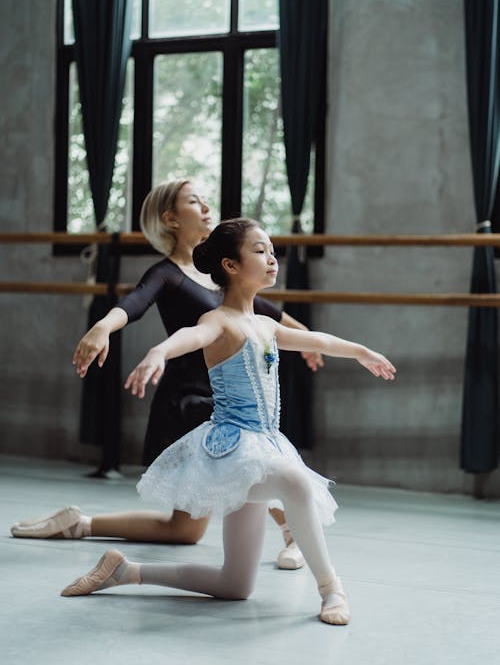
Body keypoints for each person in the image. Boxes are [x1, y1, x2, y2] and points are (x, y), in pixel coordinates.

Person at [59, 218, 396, 625]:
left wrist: (363, 351)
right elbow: (188, 337)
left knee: (234, 585)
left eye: (272, 250)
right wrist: (159, 353)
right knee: (294, 481)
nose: (272, 257)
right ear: (231, 266)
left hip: (265, 447)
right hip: (232, 451)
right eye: (259, 250)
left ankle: (125, 571)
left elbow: (320, 341)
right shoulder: (218, 321)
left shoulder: (267, 325)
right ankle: (332, 589)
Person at [11, 180, 323, 569]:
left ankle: (79, 523)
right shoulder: (168, 273)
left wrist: (309, 341)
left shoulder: (222, 277)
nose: (207, 207)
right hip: (191, 404)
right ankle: (293, 529)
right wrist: (104, 327)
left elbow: (269, 315)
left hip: (221, 404)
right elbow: (134, 302)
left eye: (207, 200)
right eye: (194, 202)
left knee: (185, 530)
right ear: (171, 218)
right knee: (253, 460)